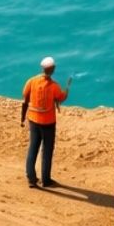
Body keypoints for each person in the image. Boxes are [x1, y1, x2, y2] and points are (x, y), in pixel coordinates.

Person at [20, 55, 70, 188]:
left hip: (33, 120)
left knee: (33, 148)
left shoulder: (31, 81)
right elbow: (60, 97)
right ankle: (45, 180)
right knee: (47, 151)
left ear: (42, 68)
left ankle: (31, 179)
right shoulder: (54, 86)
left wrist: (22, 119)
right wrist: (67, 90)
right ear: (52, 69)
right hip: (48, 123)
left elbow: (25, 99)